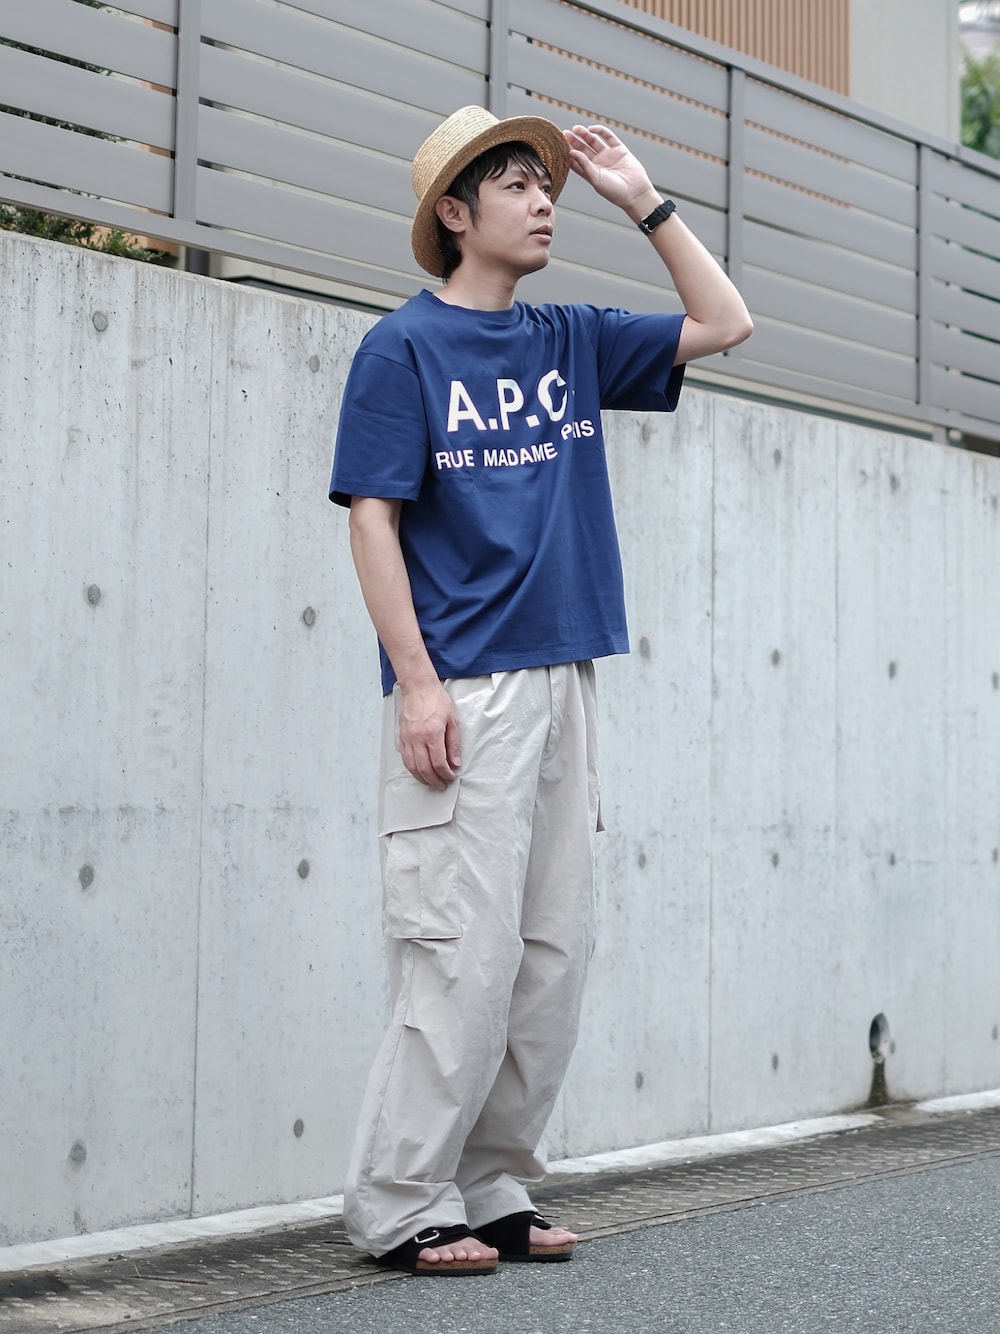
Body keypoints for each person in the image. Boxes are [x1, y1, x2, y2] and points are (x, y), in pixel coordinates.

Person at [329, 104, 751, 1277]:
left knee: (549, 951)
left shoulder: (568, 337)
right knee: (455, 953)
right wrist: (418, 684)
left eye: (547, 184)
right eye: (516, 184)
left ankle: (491, 1180)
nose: (543, 200)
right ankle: (399, 1200)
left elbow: (726, 321)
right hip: (466, 685)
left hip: (565, 672)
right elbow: (372, 518)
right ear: (454, 214)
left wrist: (643, 201)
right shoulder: (402, 348)